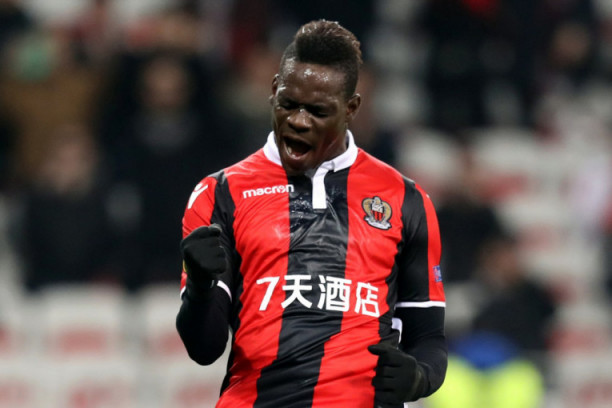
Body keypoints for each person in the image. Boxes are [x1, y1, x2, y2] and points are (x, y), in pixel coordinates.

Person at [176, 20, 447, 407]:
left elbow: (429, 337)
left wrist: (418, 378)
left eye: (318, 111)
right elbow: (204, 349)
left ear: (351, 108)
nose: (299, 121)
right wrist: (201, 289)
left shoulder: (405, 199)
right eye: (289, 104)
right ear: (273, 90)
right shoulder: (220, 193)